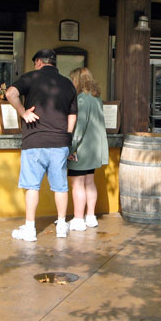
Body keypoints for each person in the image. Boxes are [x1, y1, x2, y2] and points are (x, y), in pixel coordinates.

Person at [5, 49, 77, 242]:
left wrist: (23, 112)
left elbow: (10, 93)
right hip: (60, 142)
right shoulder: (68, 83)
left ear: (38, 62)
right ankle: (62, 226)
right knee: (60, 187)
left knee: (32, 187)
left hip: (34, 141)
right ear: (54, 63)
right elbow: (72, 115)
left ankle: (29, 229)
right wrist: (67, 139)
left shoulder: (31, 77)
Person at [67, 67, 109, 231]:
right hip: (94, 150)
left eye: (73, 79)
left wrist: (71, 148)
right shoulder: (96, 98)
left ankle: (78, 220)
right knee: (90, 182)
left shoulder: (81, 99)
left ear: (77, 80)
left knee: (77, 184)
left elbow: (79, 128)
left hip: (81, 149)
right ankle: (90, 217)